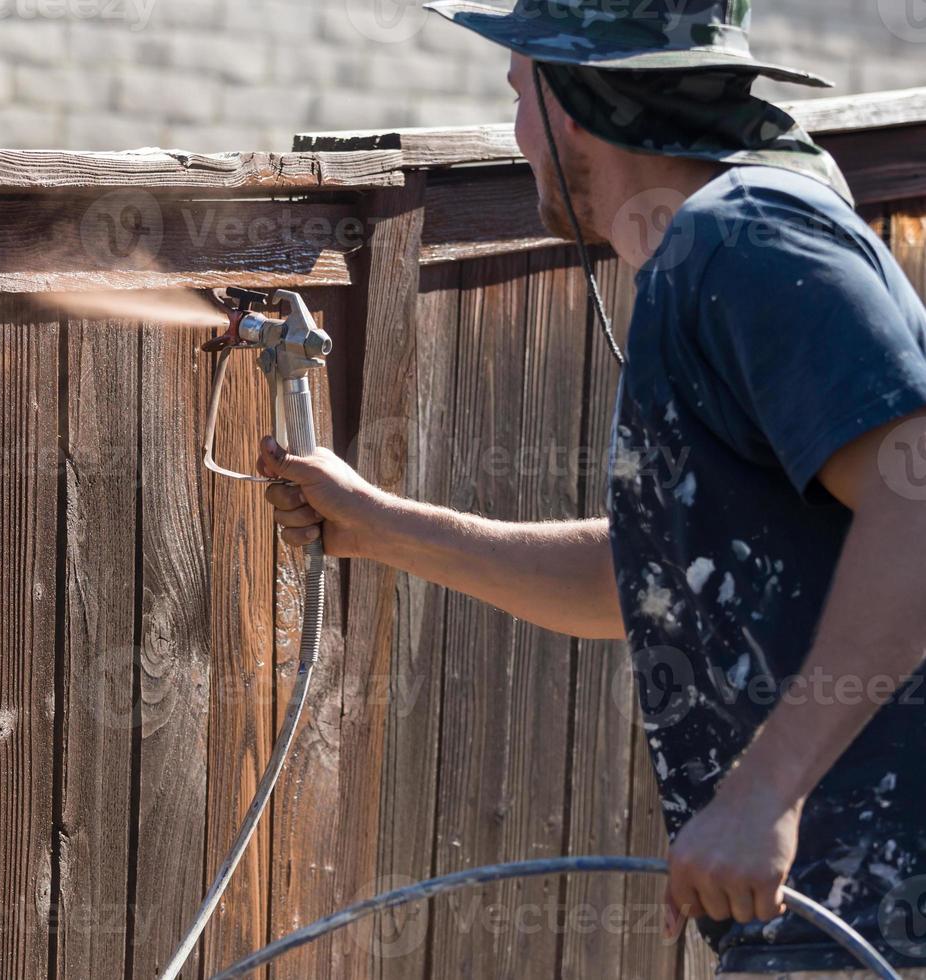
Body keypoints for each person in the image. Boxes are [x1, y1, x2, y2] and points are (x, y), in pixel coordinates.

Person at [258, 0, 926, 976]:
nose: (517, 129)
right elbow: (656, 583)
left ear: (574, 96)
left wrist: (762, 793)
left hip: (880, 924)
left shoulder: (743, 239)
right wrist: (380, 527)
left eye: (518, 88)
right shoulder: (717, 250)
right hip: (834, 920)